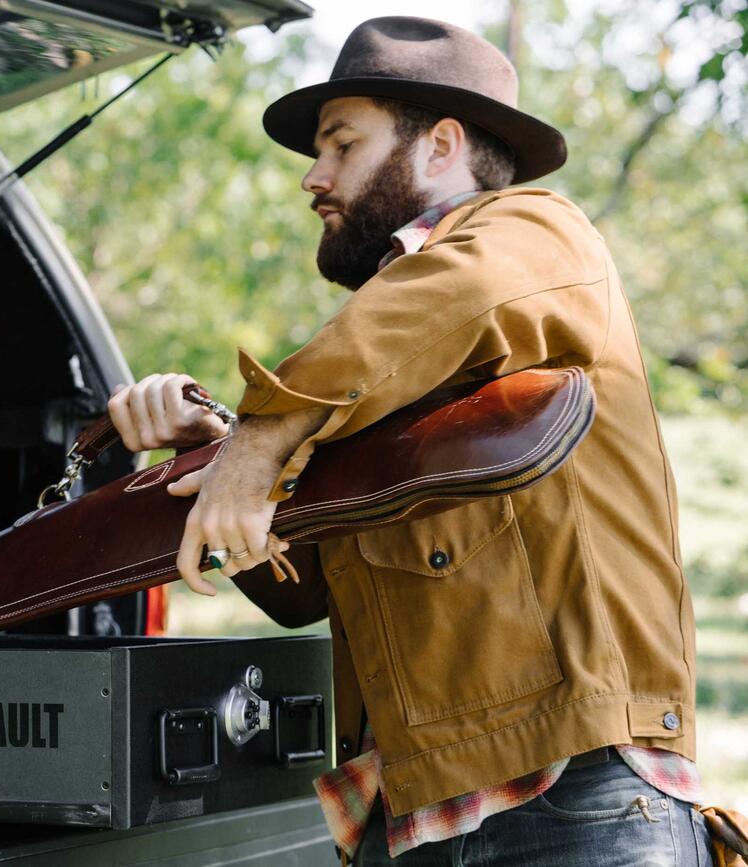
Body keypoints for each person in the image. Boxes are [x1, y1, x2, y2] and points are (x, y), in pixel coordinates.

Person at [107, 16, 715, 866]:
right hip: (417, 817)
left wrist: (256, 439)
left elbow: (451, 296)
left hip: (579, 797)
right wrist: (204, 453)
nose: (314, 177)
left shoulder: (534, 232)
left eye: (341, 144)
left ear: (441, 147)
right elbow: (304, 591)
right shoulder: (368, 362)